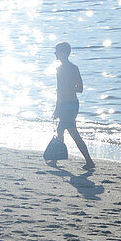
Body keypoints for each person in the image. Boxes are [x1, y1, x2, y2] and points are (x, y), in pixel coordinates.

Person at [51, 41, 94, 169]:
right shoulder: (71, 68)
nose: (55, 53)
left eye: (57, 51)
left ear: (63, 53)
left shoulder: (65, 69)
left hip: (68, 105)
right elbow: (72, 89)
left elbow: (79, 88)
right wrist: (57, 108)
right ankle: (56, 160)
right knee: (61, 130)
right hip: (69, 104)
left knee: (73, 133)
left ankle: (89, 161)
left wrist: (57, 107)